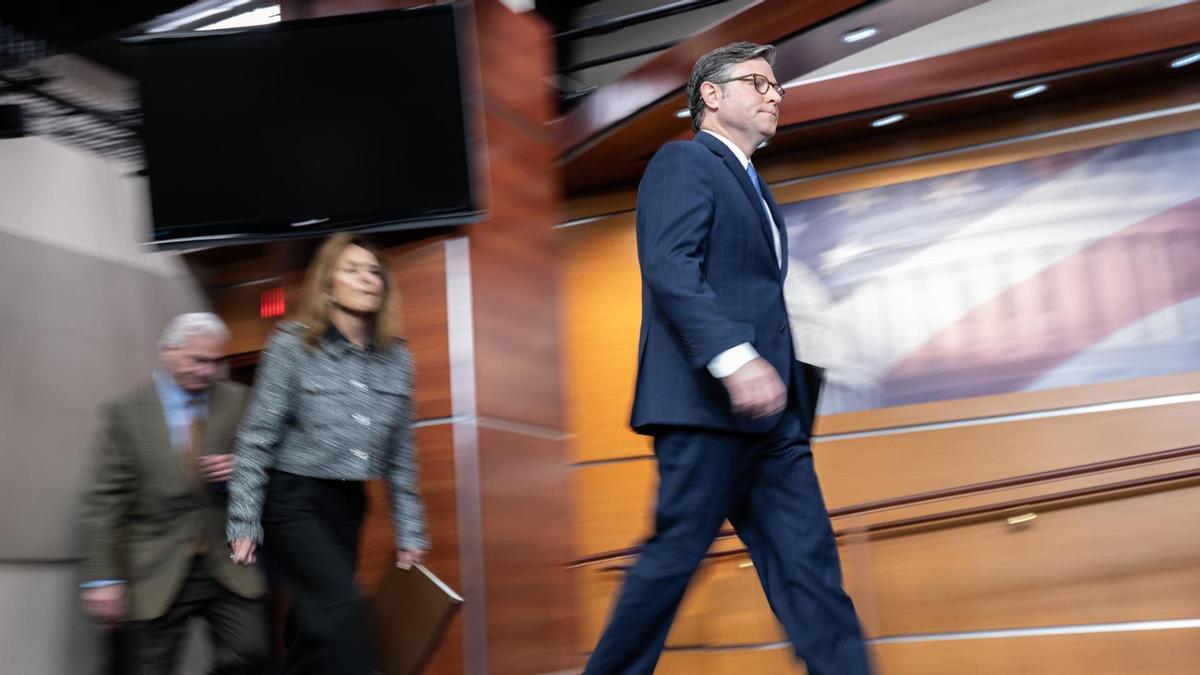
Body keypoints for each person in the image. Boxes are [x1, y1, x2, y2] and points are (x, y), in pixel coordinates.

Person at [583, 42, 872, 674]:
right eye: (759, 83)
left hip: (773, 423)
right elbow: (669, 267)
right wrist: (734, 358)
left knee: (809, 567)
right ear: (711, 95)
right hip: (704, 406)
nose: (774, 95)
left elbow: (754, 291)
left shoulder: (757, 189)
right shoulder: (684, 162)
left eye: (778, 89)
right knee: (671, 563)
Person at [226, 233, 430, 674]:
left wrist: (410, 530)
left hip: (348, 504)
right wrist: (243, 519)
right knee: (343, 608)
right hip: (292, 501)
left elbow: (401, 452)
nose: (367, 279)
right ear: (326, 283)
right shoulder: (292, 345)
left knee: (312, 626)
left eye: (374, 271)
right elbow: (256, 436)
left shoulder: (397, 358)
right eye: (352, 269)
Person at [78, 312, 268, 674]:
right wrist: (103, 578)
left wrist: (243, 470)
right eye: (198, 360)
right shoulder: (128, 413)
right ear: (168, 351)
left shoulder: (239, 401)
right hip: (155, 567)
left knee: (251, 652)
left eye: (216, 362)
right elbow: (104, 502)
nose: (208, 371)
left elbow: (271, 466)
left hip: (225, 564)